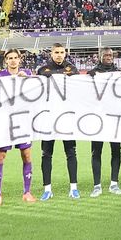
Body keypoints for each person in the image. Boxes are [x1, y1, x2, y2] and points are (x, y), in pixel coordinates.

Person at [0, 49, 37, 205]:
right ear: (6, 61)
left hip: (23, 121)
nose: (13, 60)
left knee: (27, 155)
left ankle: (27, 192)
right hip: (5, 122)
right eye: (10, 58)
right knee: (1, 156)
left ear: (20, 59)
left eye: (16, 57)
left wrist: (29, 79)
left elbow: (36, 93)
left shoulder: (27, 73)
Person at [37, 43, 80, 200]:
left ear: (65, 53)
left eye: (62, 52)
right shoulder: (42, 70)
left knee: (71, 152)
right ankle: (47, 189)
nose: (59, 55)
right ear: (51, 53)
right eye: (56, 52)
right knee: (46, 153)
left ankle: (73, 188)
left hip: (67, 117)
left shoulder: (72, 70)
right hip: (48, 117)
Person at [87, 47, 121, 198]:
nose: (109, 57)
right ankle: (97, 186)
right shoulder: (93, 73)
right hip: (97, 118)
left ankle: (114, 184)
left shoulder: (119, 73)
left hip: (114, 117)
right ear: (100, 56)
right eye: (106, 55)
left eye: (110, 55)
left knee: (116, 150)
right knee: (96, 151)